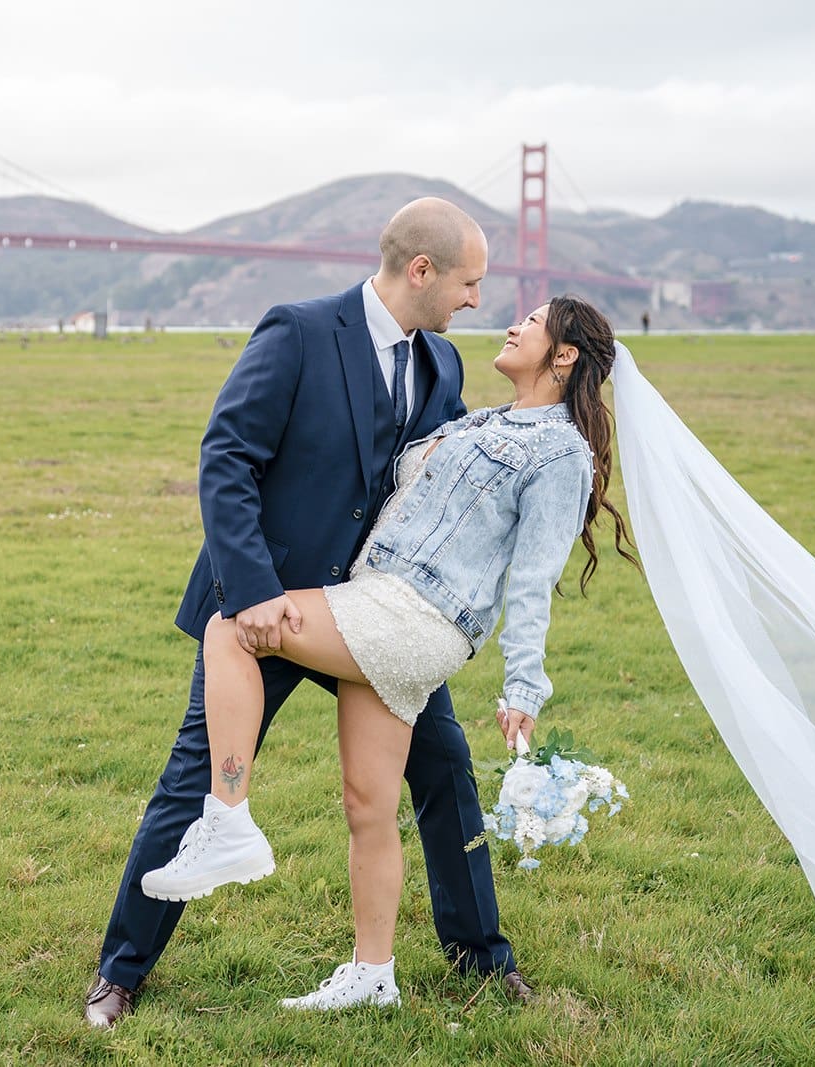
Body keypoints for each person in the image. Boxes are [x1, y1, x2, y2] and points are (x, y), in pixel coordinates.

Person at [84, 198, 535, 1028]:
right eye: (469, 282)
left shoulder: (442, 365)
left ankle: (482, 957)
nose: (477, 300)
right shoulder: (297, 332)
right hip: (271, 608)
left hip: (373, 619)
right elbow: (226, 458)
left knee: (442, 769)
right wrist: (251, 592)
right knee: (195, 781)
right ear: (422, 271)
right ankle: (119, 974)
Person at [140, 294, 637, 1008]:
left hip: (413, 614)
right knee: (367, 803)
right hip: (384, 603)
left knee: (234, 623)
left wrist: (525, 685)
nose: (509, 321)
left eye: (531, 321)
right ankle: (372, 974)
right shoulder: (488, 417)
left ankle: (228, 817)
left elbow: (532, 579)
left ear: (564, 355)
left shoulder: (561, 452)